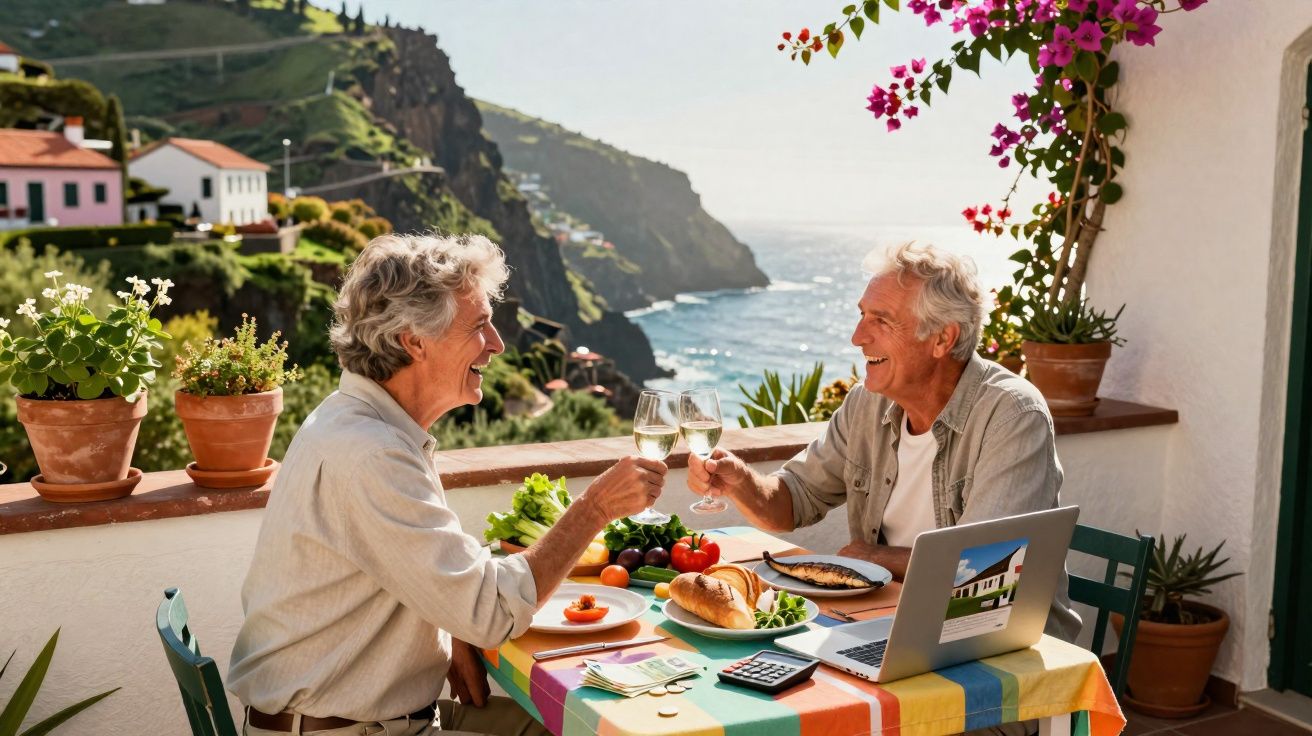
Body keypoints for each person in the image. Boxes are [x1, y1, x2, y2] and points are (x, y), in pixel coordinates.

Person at [229, 233, 667, 736]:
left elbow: (419, 570)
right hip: (348, 731)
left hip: (359, 720)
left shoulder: (358, 422)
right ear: (414, 340)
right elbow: (493, 613)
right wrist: (595, 508)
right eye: (479, 326)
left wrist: (449, 624)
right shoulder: (374, 455)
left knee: (578, 726)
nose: (497, 344)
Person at [688, 242, 1080, 640]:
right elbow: (793, 501)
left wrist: (875, 557)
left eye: (882, 320)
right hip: (886, 625)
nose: (858, 337)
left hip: (994, 641)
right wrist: (741, 481)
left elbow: (985, 571)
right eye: (862, 315)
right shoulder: (868, 404)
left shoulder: (1012, 415)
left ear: (942, 339)